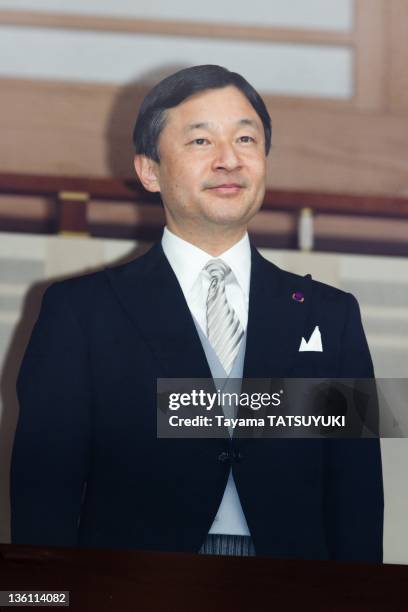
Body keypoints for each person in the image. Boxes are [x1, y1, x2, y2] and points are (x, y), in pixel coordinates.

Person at [10, 65, 383, 561]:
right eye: (201, 142)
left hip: (295, 585)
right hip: (131, 585)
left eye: (246, 139)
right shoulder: (80, 313)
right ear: (149, 170)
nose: (230, 160)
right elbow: (44, 492)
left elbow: (355, 493)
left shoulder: (331, 317)